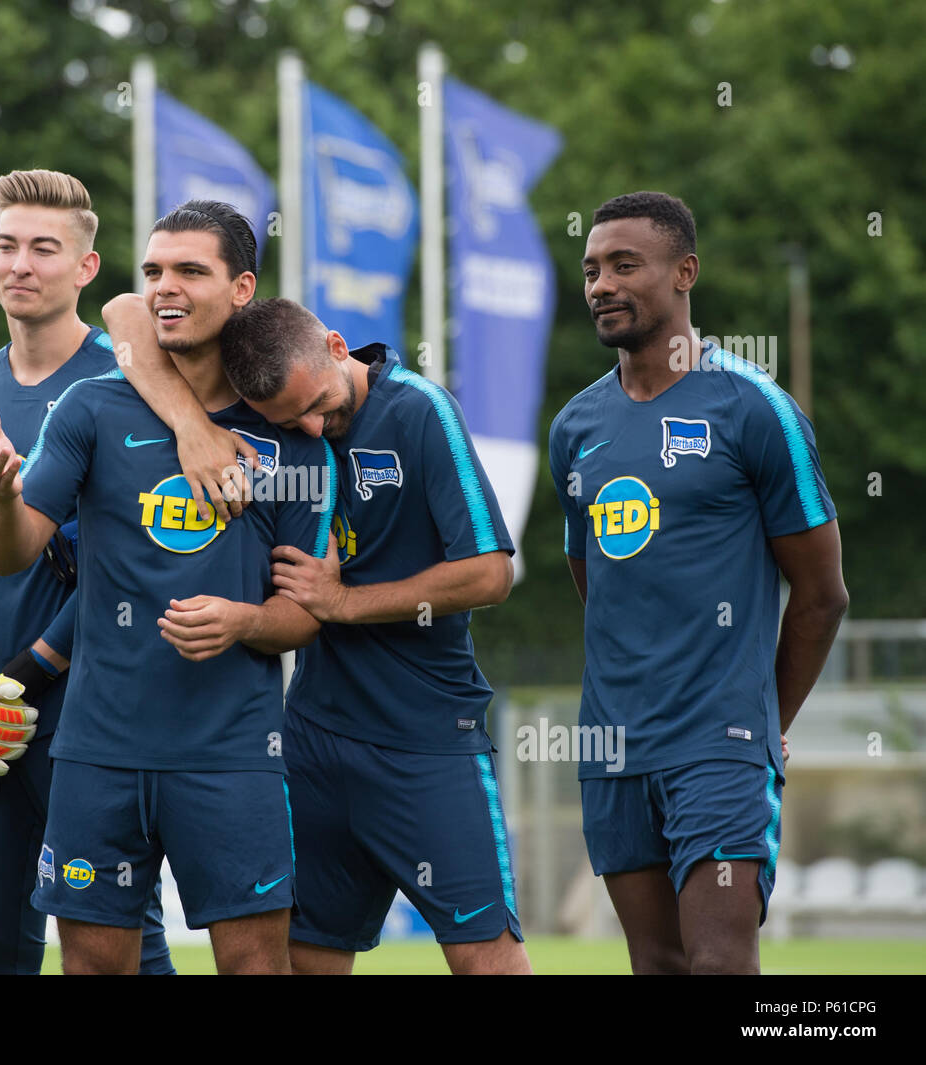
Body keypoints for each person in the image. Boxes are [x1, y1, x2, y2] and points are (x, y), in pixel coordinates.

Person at [0, 201, 334, 975]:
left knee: (256, 969)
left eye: (190, 271)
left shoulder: (284, 433)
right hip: (99, 750)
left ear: (241, 289)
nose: (166, 287)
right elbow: (12, 554)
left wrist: (242, 621)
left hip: (234, 753)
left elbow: (305, 614)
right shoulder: (92, 408)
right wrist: (4, 496)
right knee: (96, 968)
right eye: (155, 271)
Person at [547, 191, 848, 974]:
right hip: (611, 741)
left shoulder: (754, 408)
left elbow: (822, 594)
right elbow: (598, 583)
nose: (601, 285)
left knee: (719, 962)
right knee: (657, 963)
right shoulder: (576, 428)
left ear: (685, 272)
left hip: (719, 742)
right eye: (590, 270)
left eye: (623, 265)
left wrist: (761, 715)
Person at [218, 297, 532, 975]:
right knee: (306, 961)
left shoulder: (420, 410)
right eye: (288, 420)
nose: (310, 426)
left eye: (317, 404)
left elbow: (489, 574)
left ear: (337, 346)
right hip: (313, 740)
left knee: (489, 962)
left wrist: (342, 601)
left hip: (427, 741)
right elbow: (131, 318)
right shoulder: (269, 437)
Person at [0, 169, 185, 975]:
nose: (19, 264)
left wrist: (24, 674)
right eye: (5, 244)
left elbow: (136, 569)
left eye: (44, 248)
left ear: (86, 267)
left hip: (90, 715)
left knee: (121, 951)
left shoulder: (135, 385)